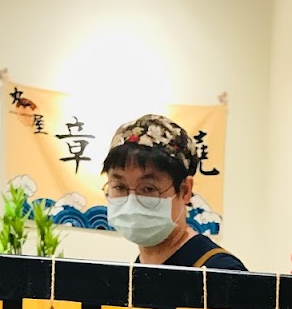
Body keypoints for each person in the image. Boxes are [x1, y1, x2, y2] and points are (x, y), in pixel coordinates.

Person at [103, 114, 246, 270]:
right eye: (120, 187)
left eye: (148, 188)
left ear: (185, 191)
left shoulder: (220, 271)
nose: (131, 203)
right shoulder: (139, 269)